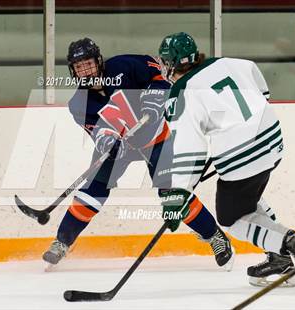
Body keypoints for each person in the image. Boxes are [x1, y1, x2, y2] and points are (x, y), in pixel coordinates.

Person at [42, 38, 234, 270]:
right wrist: (107, 143)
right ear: (73, 71)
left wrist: (155, 97)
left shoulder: (124, 66)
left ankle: (215, 237)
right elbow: (97, 132)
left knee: (172, 195)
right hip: (120, 149)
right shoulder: (78, 104)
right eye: (79, 67)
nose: (86, 70)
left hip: (155, 138)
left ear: (99, 61)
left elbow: (159, 74)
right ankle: (62, 242)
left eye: (89, 63)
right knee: (92, 191)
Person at [157, 32, 295, 286]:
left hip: (241, 154)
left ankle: (290, 244)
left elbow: (189, 148)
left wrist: (178, 194)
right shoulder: (228, 62)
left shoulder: (181, 92)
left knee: (230, 219)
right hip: (272, 140)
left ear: (170, 64)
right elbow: (261, 89)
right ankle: (279, 257)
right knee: (248, 198)